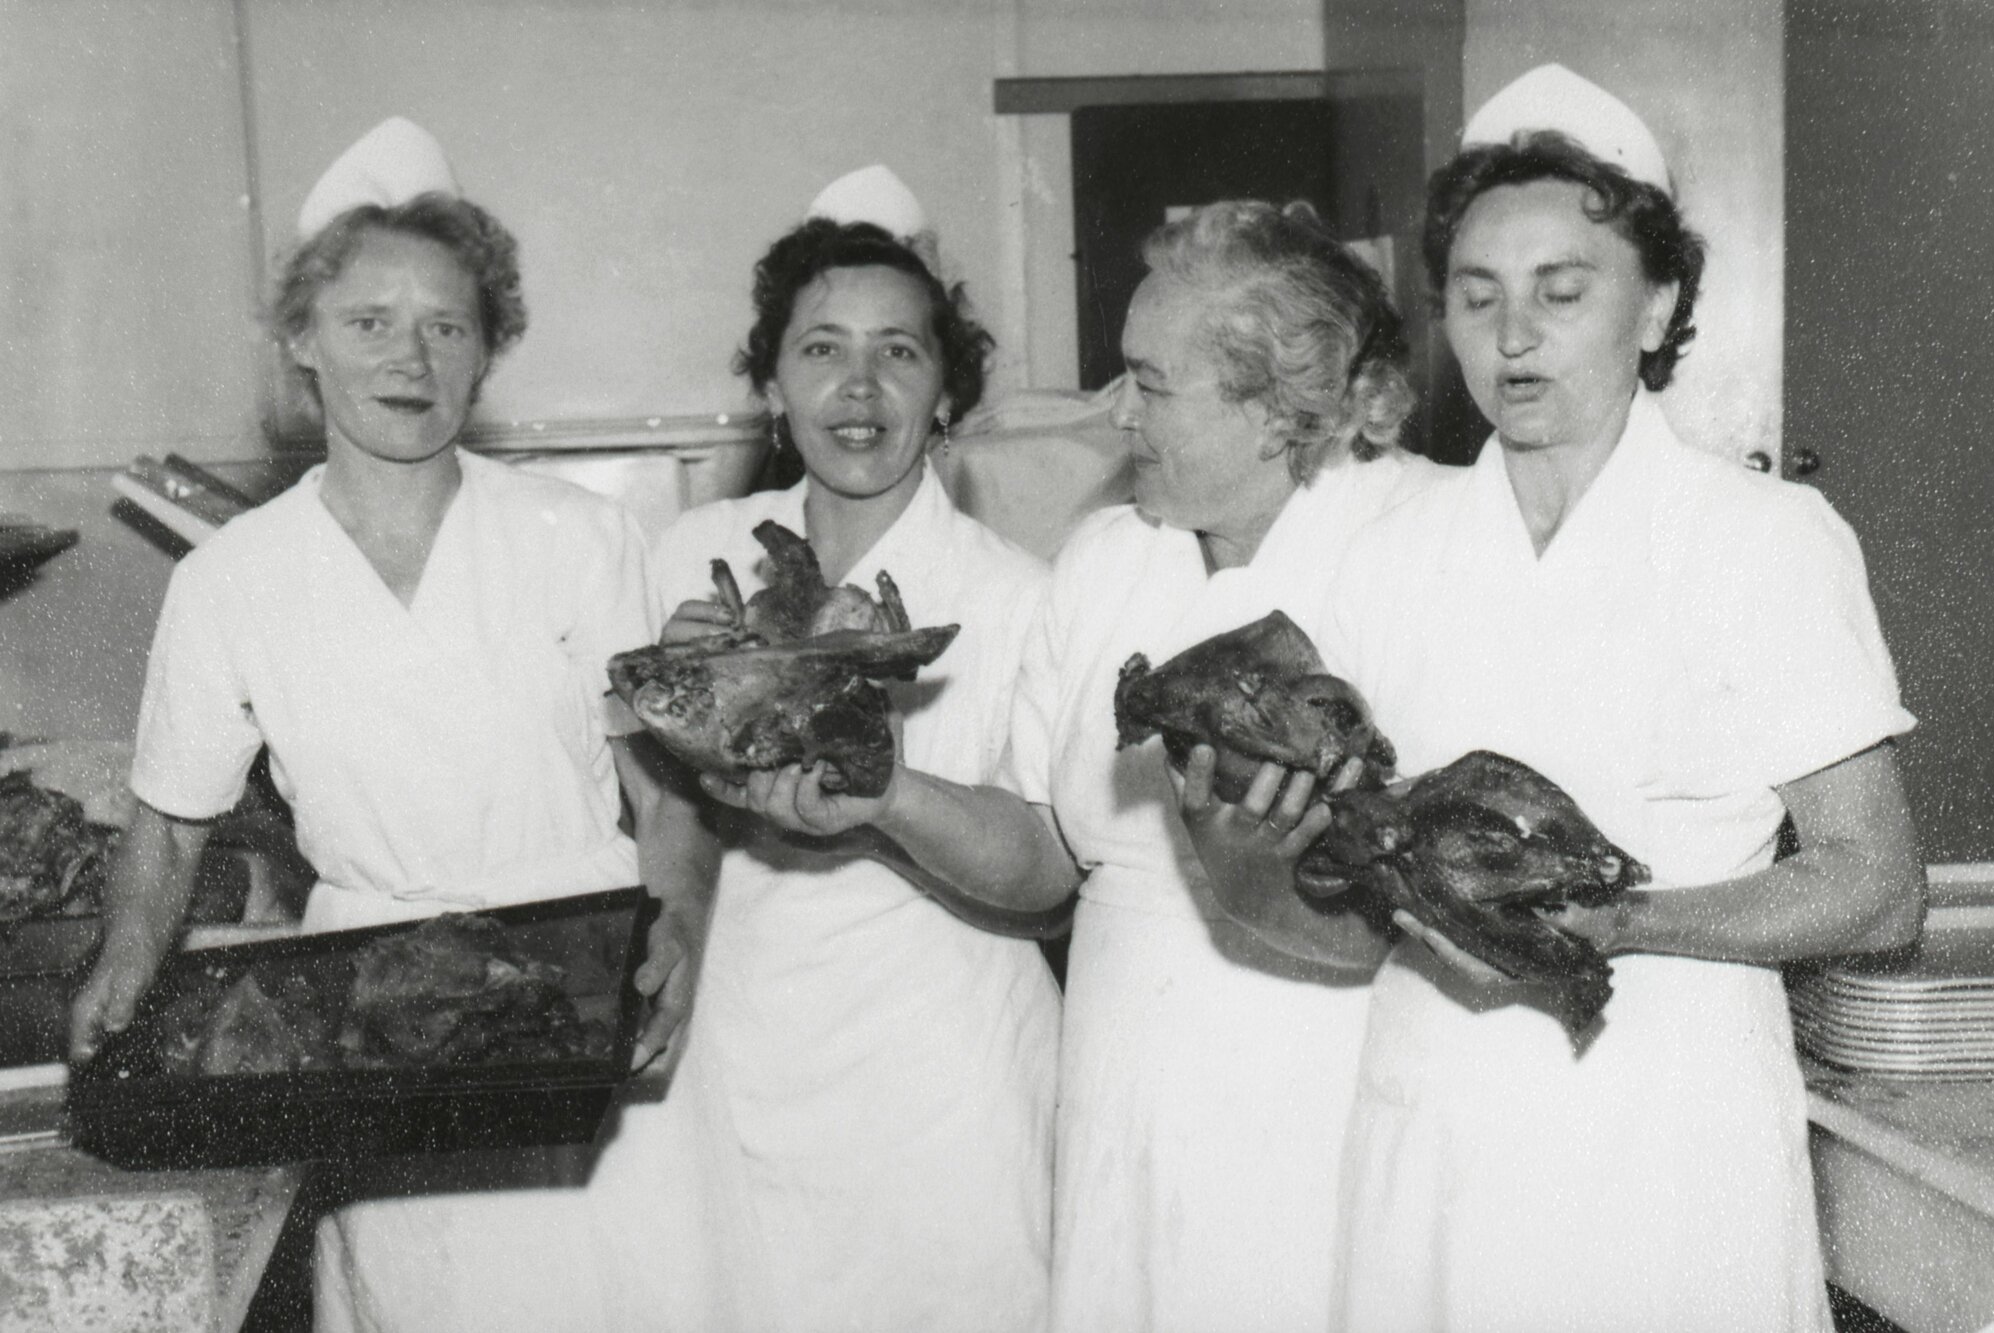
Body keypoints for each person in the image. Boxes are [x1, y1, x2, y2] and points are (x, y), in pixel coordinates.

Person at [1206, 66, 1926, 1332]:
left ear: (1654, 308)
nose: (1513, 335)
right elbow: (1334, 912)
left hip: (1662, 1156)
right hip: (1430, 1154)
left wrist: (1620, 923)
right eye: (1476, 298)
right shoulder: (1385, 557)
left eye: (1561, 291)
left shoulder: (1756, 540)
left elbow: (1872, 885)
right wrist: (1264, 850)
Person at [68, 117, 712, 1333]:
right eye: (369, 322)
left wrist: (676, 914)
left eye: (446, 325)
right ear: (302, 341)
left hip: (580, 985)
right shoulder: (234, 577)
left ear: (488, 352)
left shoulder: (577, 540)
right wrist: (126, 954)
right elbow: (167, 820)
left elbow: (666, 789)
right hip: (373, 1019)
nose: (409, 357)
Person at [764, 198, 1444, 1333]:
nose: (1115, 411)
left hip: (1326, 1113)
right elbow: (1045, 857)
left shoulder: (1420, 545)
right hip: (1125, 1103)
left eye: (1151, 382)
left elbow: (1424, 895)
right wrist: (888, 796)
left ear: (1277, 405)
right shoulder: (1105, 558)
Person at [612, 213, 1060, 1333]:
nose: (858, 387)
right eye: (820, 348)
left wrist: (885, 802)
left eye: (898, 351)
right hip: (737, 1043)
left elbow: (1046, 875)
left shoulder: (1016, 594)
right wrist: (681, 695)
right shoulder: (692, 557)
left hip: (944, 1073)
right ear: (771, 384)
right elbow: (652, 812)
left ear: (945, 393)